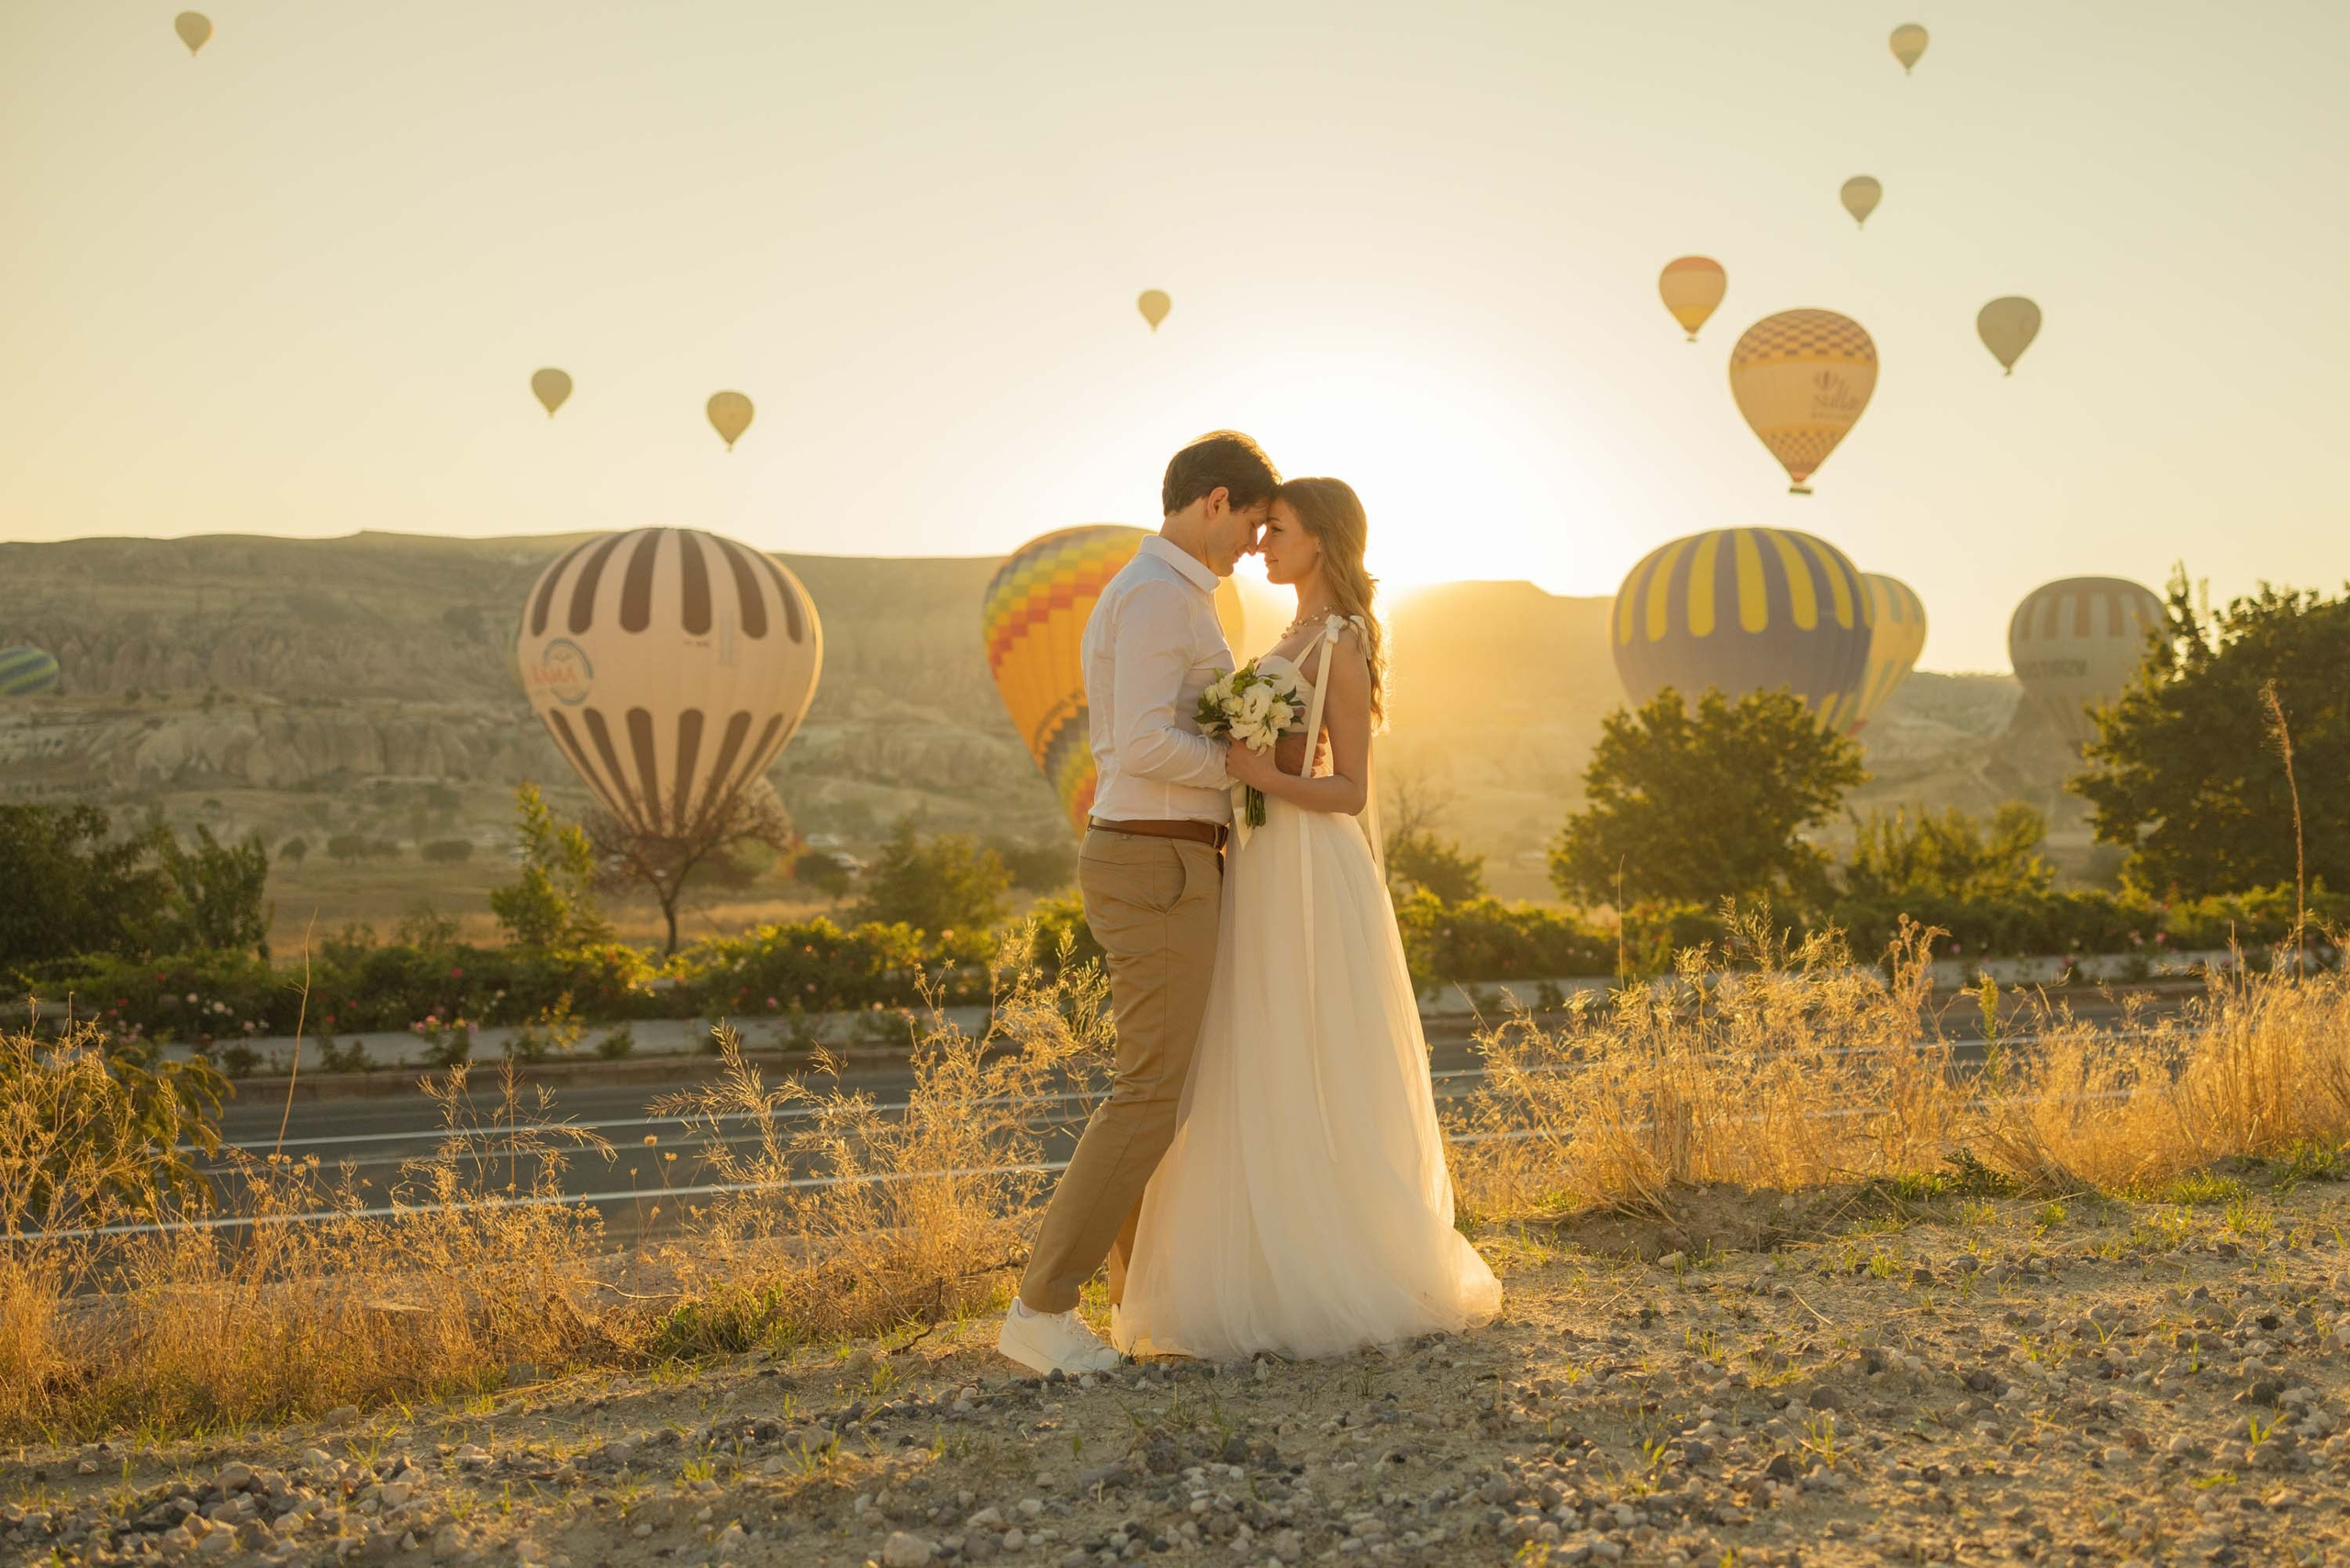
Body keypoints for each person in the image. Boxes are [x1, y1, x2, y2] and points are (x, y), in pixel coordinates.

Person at [1111, 476, 1501, 1361]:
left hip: (1306, 864)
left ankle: (1329, 1264)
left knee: (1306, 1042)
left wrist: (1257, 779)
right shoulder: (1286, 633)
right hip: (1259, 859)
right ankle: (1255, 1261)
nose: (1261, 545)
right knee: (1254, 1042)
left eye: (1277, 530)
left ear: (1320, 538)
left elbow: (1352, 789)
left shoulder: (1340, 640)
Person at [997, 430, 1295, 1377]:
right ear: (1214, 501)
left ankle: (1133, 1298)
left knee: (1166, 1091)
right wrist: (1244, 769)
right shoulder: (1155, 599)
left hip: (1176, 858)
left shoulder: (1176, 597)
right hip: (1152, 859)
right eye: (1251, 522)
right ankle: (1040, 1308)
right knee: (1149, 1092)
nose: (1256, 543)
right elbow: (1131, 747)